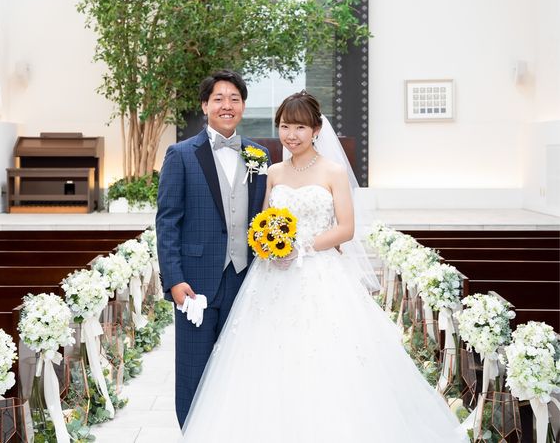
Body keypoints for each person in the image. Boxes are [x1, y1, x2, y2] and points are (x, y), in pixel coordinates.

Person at [180, 91, 468, 442]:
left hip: (320, 273)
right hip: (271, 277)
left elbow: (346, 228)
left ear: (316, 129)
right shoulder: (272, 172)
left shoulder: (333, 172)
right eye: (285, 126)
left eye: (300, 127)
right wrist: (269, 245)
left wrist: (300, 247)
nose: (292, 135)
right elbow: (263, 220)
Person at [156, 70, 270, 428]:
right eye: (218, 99)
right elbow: (167, 222)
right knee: (193, 370)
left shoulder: (259, 155)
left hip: (245, 279)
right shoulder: (181, 154)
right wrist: (174, 280)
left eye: (234, 99)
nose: (227, 105)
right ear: (205, 106)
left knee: (239, 369)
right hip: (195, 283)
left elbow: (264, 215)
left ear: (243, 106)